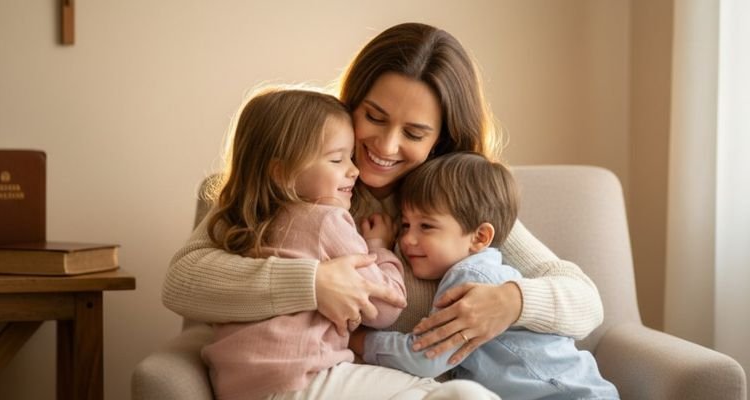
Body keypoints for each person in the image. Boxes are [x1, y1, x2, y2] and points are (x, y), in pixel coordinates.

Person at [164, 21, 603, 380]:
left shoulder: (456, 202)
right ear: (351, 103)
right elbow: (183, 281)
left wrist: (512, 301)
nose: (386, 146)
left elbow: (585, 300)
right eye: (374, 117)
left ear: (441, 141)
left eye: (414, 133)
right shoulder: (294, 183)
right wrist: (311, 284)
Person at [200, 88, 499, 400]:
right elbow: (385, 306)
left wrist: (516, 300)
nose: (353, 170)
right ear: (282, 173)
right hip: (302, 377)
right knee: (456, 395)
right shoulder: (327, 219)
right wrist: (378, 245)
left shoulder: (243, 222)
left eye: (413, 132)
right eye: (336, 159)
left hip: (235, 385)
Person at [348, 152, 619, 400]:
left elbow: (427, 356)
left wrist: (360, 341)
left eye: (426, 226)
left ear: (480, 237)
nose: (407, 239)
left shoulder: (469, 277)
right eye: (405, 225)